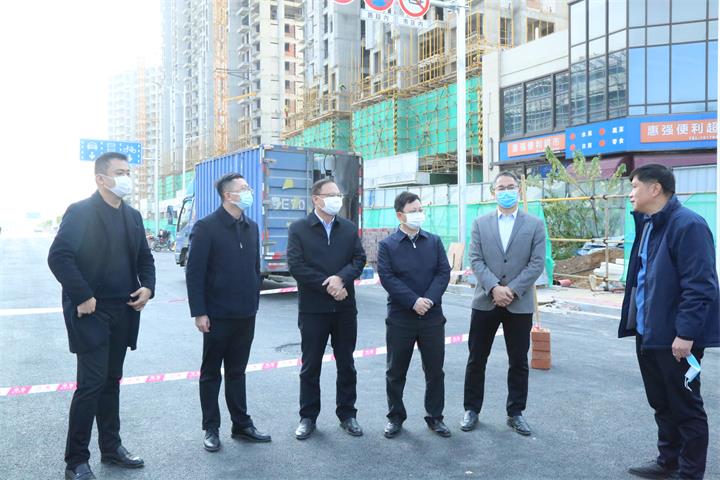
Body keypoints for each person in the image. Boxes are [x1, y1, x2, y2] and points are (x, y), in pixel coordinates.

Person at [48, 152, 156, 480]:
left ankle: (111, 448)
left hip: (124, 310)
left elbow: (145, 258)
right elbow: (59, 256)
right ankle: (76, 461)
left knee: (111, 381)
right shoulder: (81, 212)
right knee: (91, 385)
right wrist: (82, 295)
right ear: (101, 179)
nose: (127, 178)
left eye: (128, 172)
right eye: (120, 172)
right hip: (91, 312)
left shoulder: (133, 216)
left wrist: (148, 287)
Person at [620, 164, 719, 480]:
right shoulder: (649, 224)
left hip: (677, 337)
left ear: (655, 189)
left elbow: (700, 285)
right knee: (661, 402)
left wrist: (686, 333)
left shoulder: (688, 225)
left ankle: (690, 473)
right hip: (649, 333)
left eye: (635, 186)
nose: (630, 194)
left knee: (685, 405)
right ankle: (668, 461)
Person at [185, 173, 271, 452]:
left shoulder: (251, 227)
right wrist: (199, 312)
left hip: (246, 313)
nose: (248, 191)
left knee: (237, 371)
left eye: (248, 187)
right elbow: (194, 272)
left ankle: (241, 424)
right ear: (227, 195)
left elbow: (254, 269)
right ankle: (211, 428)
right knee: (211, 373)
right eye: (243, 188)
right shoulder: (206, 227)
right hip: (217, 315)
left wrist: (254, 301)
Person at [460, 171, 546, 437]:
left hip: (519, 303)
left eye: (511, 187)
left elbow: (536, 263)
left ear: (519, 190)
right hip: (485, 300)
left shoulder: (534, 224)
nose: (506, 191)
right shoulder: (480, 223)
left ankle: (515, 412)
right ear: (493, 192)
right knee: (477, 358)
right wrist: (494, 287)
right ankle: (471, 409)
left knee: (518, 360)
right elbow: (475, 259)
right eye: (501, 187)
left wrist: (512, 290)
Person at [287, 178, 367, 440]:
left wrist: (341, 279)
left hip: (345, 308)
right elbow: (297, 266)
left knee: (347, 364)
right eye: (330, 195)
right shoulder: (299, 229)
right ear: (316, 199)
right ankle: (308, 417)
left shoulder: (348, 228)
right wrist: (329, 285)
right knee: (311, 366)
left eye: (338, 194)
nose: (336, 199)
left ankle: (348, 415)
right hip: (313, 309)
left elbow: (359, 259)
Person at [377, 192, 451, 438]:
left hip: (432, 316)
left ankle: (435, 417)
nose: (419, 214)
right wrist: (413, 301)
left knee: (435, 371)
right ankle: (395, 417)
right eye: (413, 211)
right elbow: (387, 278)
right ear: (400, 215)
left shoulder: (434, 241)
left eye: (421, 209)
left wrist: (428, 300)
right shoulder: (387, 245)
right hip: (401, 318)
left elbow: (443, 273)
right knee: (395, 371)